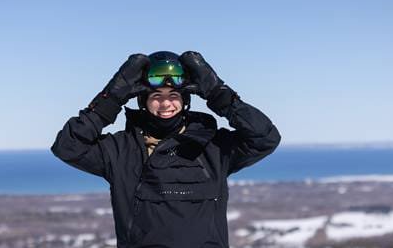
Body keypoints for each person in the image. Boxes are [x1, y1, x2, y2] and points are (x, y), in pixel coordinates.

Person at [51, 51, 281, 248]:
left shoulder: (213, 147)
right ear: (143, 101)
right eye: (156, 96)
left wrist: (220, 95)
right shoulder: (120, 151)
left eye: (174, 96)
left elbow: (264, 138)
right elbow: (68, 147)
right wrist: (110, 98)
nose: (165, 104)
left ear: (185, 100)